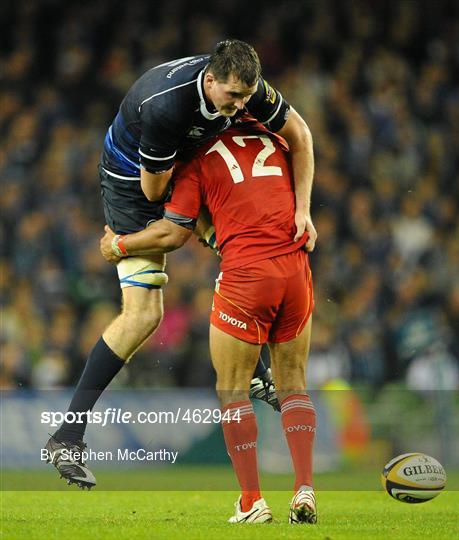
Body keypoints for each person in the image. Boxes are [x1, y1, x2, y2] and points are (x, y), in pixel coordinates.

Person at [45, 39, 316, 490]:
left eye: (246, 98)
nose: (240, 107)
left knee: (242, 247)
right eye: (232, 98)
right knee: (143, 315)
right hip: (134, 183)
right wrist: (124, 244)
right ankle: (67, 436)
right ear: (210, 81)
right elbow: (156, 195)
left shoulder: (243, 87)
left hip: (182, 165)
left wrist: (302, 209)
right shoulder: (166, 109)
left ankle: (256, 376)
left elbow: (300, 136)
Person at [100, 116, 317, 524]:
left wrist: (119, 244)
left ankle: (252, 501)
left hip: (248, 274)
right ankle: (304, 488)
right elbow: (301, 151)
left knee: (233, 389)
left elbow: (172, 234)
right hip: (296, 267)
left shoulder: (197, 158)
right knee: (293, 383)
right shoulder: (273, 137)